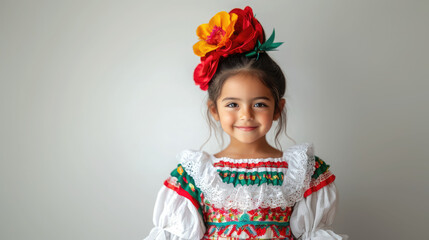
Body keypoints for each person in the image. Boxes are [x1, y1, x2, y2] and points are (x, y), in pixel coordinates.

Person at [145, 6, 347, 240]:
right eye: (233, 104)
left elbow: (312, 234)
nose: (246, 115)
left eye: (259, 104)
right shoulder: (194, 176)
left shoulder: (303, 172)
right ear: (214, 110)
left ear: (277, 110)